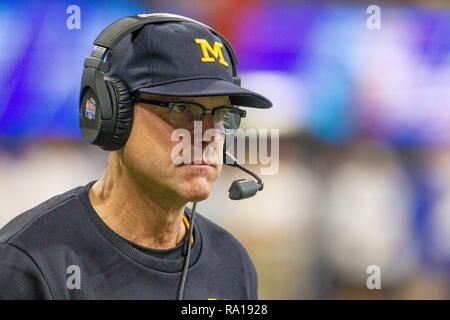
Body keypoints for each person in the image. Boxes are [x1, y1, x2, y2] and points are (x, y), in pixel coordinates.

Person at [0, 13, 272, 299]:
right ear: (114, 115)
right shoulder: (27, 267)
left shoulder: (232, 263)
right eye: (181, 110)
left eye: (220, 115)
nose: (207, 135)